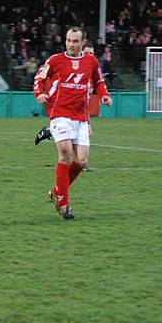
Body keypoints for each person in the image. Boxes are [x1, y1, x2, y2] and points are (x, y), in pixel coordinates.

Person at [34, 27, 112, 220]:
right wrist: (40, 93)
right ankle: (63, 204)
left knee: (82, 161)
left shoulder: (91, 61)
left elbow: (99, 82)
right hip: (60, 113)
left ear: (83, 42)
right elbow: (39, 78)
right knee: (66, 153)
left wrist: (104, 96)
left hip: (80, 116)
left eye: (75, 41)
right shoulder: (55, 60)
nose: (71, 44)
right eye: (69, 40)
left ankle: (56, 192)